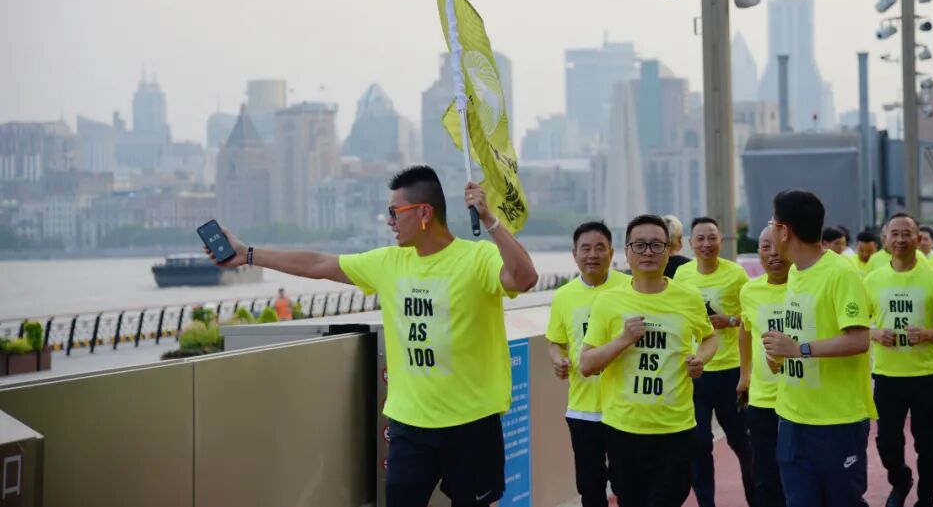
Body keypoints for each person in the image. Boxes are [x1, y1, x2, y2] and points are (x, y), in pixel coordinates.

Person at [207, 165, 538, 507]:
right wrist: (248, 254)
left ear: (424, 213)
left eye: (395, 212)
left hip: (471, 425)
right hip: (409, 427)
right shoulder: (388, 263)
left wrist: (489, 220)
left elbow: (525, 278)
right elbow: (318, 264)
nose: (389, 222)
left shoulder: (478, 258)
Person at [581, 214, 717, 507]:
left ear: (669, 250)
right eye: (639, 245)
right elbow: (587, 364)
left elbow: (709, 337)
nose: (648, 252)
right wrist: (622, 340)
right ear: (627, 251)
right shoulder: (608, 302)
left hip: (676, 428)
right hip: (624, 430)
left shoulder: (689, 297)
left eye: (656, 245)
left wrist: (701, 359)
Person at [762, 189, 874, 507]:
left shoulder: (841, 274)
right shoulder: (795, 273)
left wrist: (799, 349)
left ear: (785, 231)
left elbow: (859, 339)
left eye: (772, 223)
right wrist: (778, 356)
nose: (770, 230)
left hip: (836, 421)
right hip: (792, 416)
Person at [864, 213, 933, 507]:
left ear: (918, 239)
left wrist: (928, 334)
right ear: (885, 240)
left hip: (927, 375)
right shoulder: (872, 280)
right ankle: (901, 480)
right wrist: (876, 333)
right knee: (886, 442)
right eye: (894, 233)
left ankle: (926, 498)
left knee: (928, 444)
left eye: (907, 234)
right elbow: (855, 325)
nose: (901, 239)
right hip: (887, 375)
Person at [546, 221, 630, 507]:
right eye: (585, 249)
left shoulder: (629, 288)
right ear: (574, 254)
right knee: (590, 488)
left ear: (612, 253)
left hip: (624, 408)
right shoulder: (564, 296)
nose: (592, 255)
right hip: (582, 409)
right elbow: (555, 341)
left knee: (627, 486)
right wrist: (558, 359)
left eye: (599, 248)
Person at [673, 217, 754, 507]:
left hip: (731, 371)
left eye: (712, 238)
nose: (706, 244)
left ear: (721, 240)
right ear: (690, 243)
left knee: (743, 443)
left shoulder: (736, 274)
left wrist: (729, 320)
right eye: (700, 239)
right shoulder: (682, 275)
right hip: (697, 372)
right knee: (699, 444)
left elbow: (752, 316)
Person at [737, 225, 792, 507]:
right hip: (763, 400)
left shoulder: (806, 286)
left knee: (797, 475)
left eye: (778, 247)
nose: (773, 254)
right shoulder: (749, 290)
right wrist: (744, 375)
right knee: (766, 476)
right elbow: (745, 330)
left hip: (802, 400)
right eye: (765, 247)